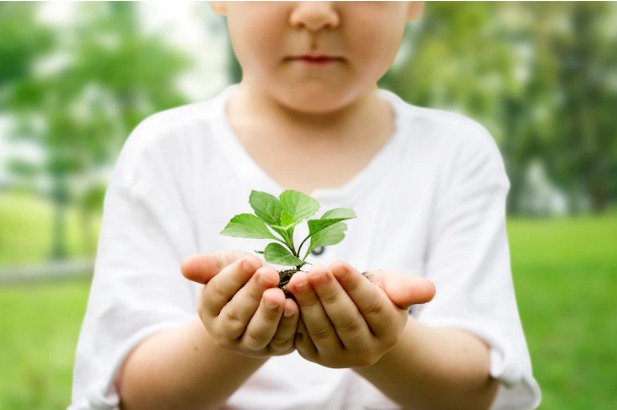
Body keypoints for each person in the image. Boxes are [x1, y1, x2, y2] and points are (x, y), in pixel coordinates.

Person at [70, 2, 541, 409]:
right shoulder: (163, 153)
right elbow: (132, 394)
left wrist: (386, 341)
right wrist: (228, 339)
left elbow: (475, 390)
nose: (316, 11)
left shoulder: (456, 153)